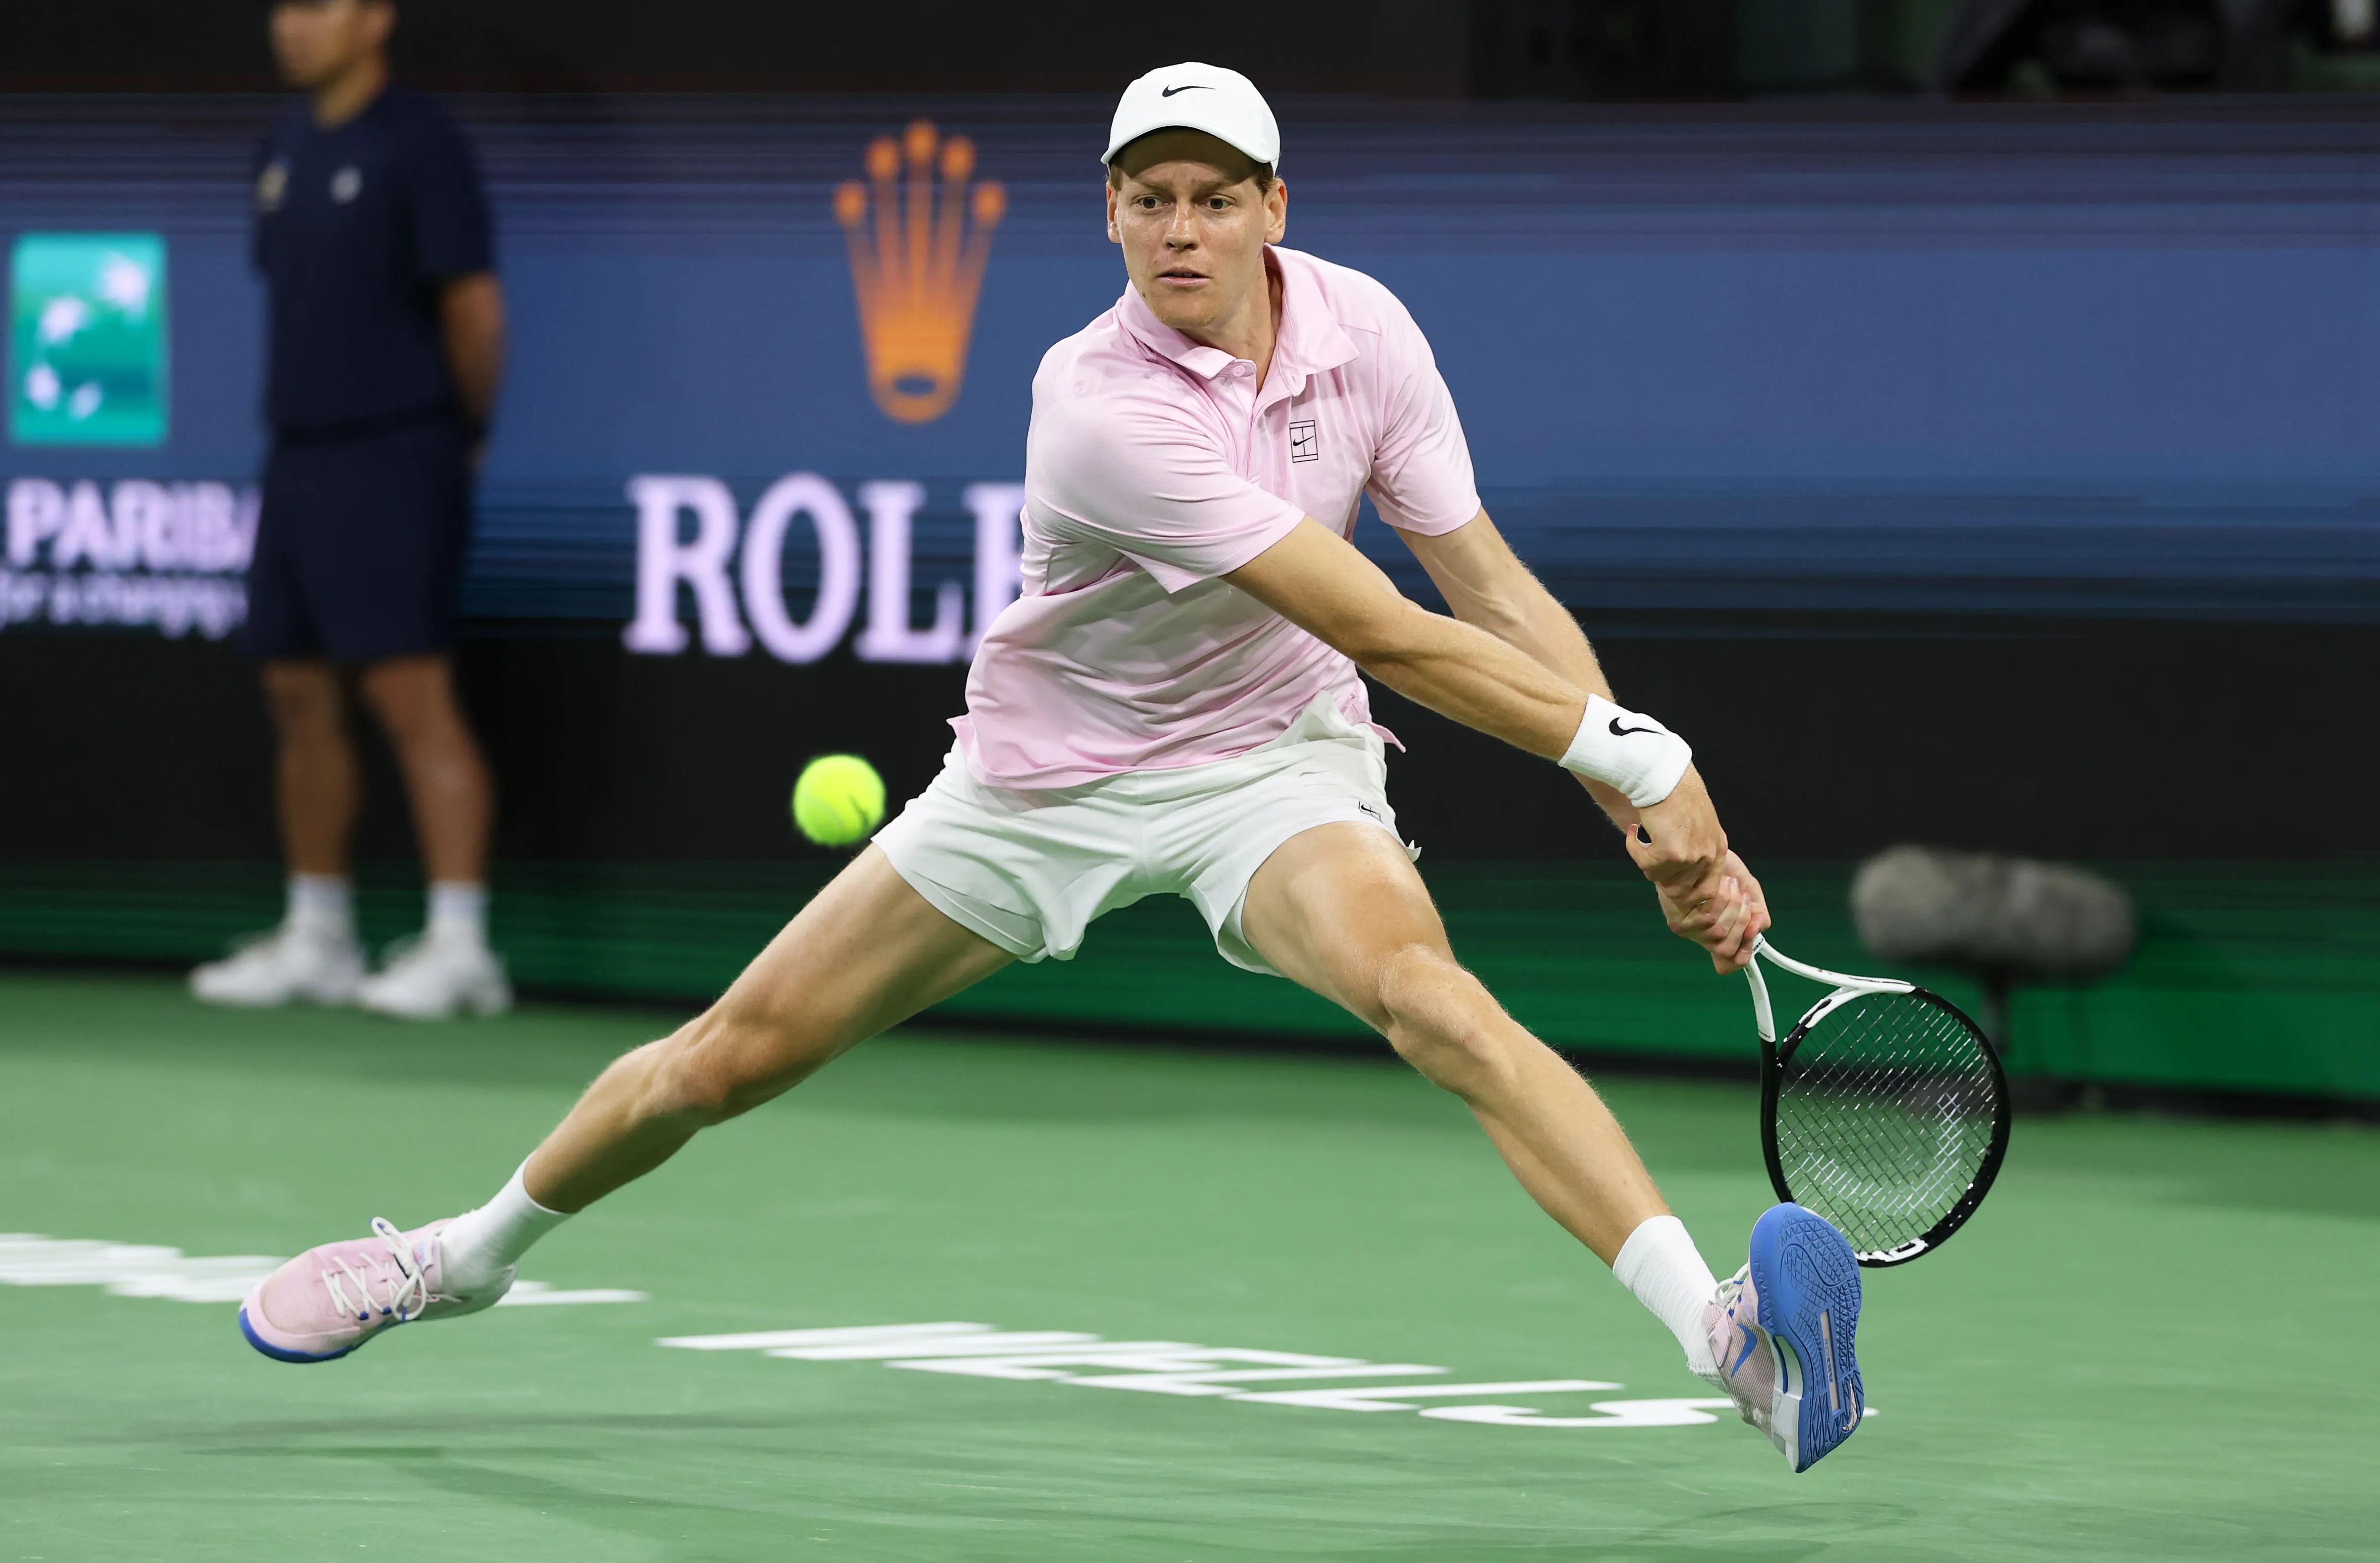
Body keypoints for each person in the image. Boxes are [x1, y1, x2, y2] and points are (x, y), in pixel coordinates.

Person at [236, 64, 1867, 1472]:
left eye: (1213, 198)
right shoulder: (1095, 404)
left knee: (1434, 1002)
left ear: (1269, 204)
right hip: (1047, 780)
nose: (1179, 229)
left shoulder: (1364, 328)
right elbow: (1385, 624)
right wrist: (1643, 751)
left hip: (1269, 765)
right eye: (1147, 197)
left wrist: (1650, 819)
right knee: (725, 1060)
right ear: (1106, 214)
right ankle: (462, 1254)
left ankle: (1726, 1342)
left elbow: (1489, 589)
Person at [190, 0, 511, 1020]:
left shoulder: (421, 144)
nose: (290, 25)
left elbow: (474, 314)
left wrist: (454, 434)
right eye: (283, 7)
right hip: (299, 452)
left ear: (376, 20)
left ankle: (462, 944)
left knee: (411, 695)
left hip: (396, 450)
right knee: (296, 690)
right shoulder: (280, 147)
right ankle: (318, 932)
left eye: (318, 6)